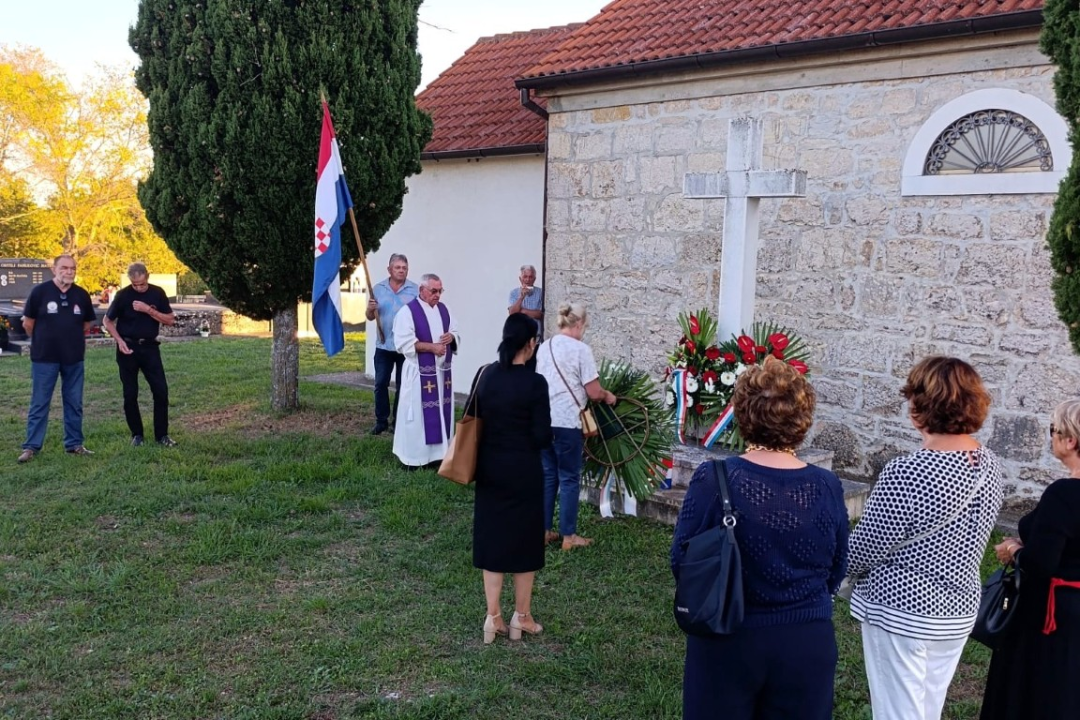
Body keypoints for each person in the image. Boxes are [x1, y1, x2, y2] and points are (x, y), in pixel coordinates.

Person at [671, 356, 849, 720]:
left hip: (728, 634)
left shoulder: (713, 478)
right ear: (802, 417)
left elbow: (684, 562)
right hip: (806, 640)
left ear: (742, 413)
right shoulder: (827, 486)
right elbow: (836, 567)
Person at [847, 356, 1003, 720]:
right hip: (959, 608)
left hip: (903, 611)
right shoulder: (990, 463)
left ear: (920, 405)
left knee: (897, 713)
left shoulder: (909, 471)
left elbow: (866, 548)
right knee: (927, 708)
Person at [979, 398, 1080, 720]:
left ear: (1071, 440)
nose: (1050, 437)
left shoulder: (1064, 493)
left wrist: (1013, 550)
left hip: (1052, 618)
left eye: (1053, 430)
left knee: (1037, 695)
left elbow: (1040, 565)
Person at [473, 313, 552, 643]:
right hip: (524, 472)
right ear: (530, 343)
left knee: (492, 540)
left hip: (490, 470)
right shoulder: (535, 384)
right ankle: (523, 617)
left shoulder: (486, 375)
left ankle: (493, 618)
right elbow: (542, 436)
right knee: (524, 542)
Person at [535, 302, 616, 550]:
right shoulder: (581, 350)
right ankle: (568, 536)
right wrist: (608, 396)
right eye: (585, 326)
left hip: (543, 420)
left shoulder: (543, 347)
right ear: (579, 324)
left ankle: (544, 530)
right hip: (567, 422)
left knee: (548, 475)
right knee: (569, 477)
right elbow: (593, 392)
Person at [17, 254, 97, 462]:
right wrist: (45, 339)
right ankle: (31, 447)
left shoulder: (81, 295)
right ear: (54, 269)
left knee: (74, 402)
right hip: (45, 357)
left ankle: (74, 444)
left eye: (72, 268)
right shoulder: (40, 292)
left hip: (73, 358)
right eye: (64, 268)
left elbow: (86, 324)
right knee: (40, 402)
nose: (69, 272)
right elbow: (28, 323)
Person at [101, 263, 178, 448]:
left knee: (161, 391)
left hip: (150, 348)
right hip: (127, 348)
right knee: (130, 393)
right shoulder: (123, 295)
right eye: (135, 284)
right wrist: (119, 341)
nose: (138, 287)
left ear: (147, 277)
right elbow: (107, 320)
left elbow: (169, 320)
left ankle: (162, 435)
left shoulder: (157, 293)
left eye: (141, 284)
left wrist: (148, 310)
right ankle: (137, 434)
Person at [392, 273, 460, 468]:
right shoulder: (408, 312)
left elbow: (455, 330)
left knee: (440, 414)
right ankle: (414, 458)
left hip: (442, 375)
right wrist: (432, 348)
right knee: (417, 418)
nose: (437, 295)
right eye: (434, 291)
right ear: (422, 290)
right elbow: (403, 342)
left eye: (440, 291)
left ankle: (438, 455)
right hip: (419, 375)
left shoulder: (444, 310)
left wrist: (451, 338)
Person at [366, 253, 419, 435]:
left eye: (404, 268)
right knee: (381, 384)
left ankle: (398, 422)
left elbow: (420, 318)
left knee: (403, 386)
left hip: (406, 348)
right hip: (384, 345)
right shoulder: (378, 289)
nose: (401, 271)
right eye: (398, 267)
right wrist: (370, 309)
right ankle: (381, 421)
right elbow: (369, 316)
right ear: (389, 269)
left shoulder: (415, 290)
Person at [507, 264, 543, 340]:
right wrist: (521, 297)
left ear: (534, 279)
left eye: (530, 277)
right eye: (525, 277)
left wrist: (521, 311)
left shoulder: (541, 293)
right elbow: (512, 313)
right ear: (520, 278)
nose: (528, 280)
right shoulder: (514, 293)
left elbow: (540, 314)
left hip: (535, 336)